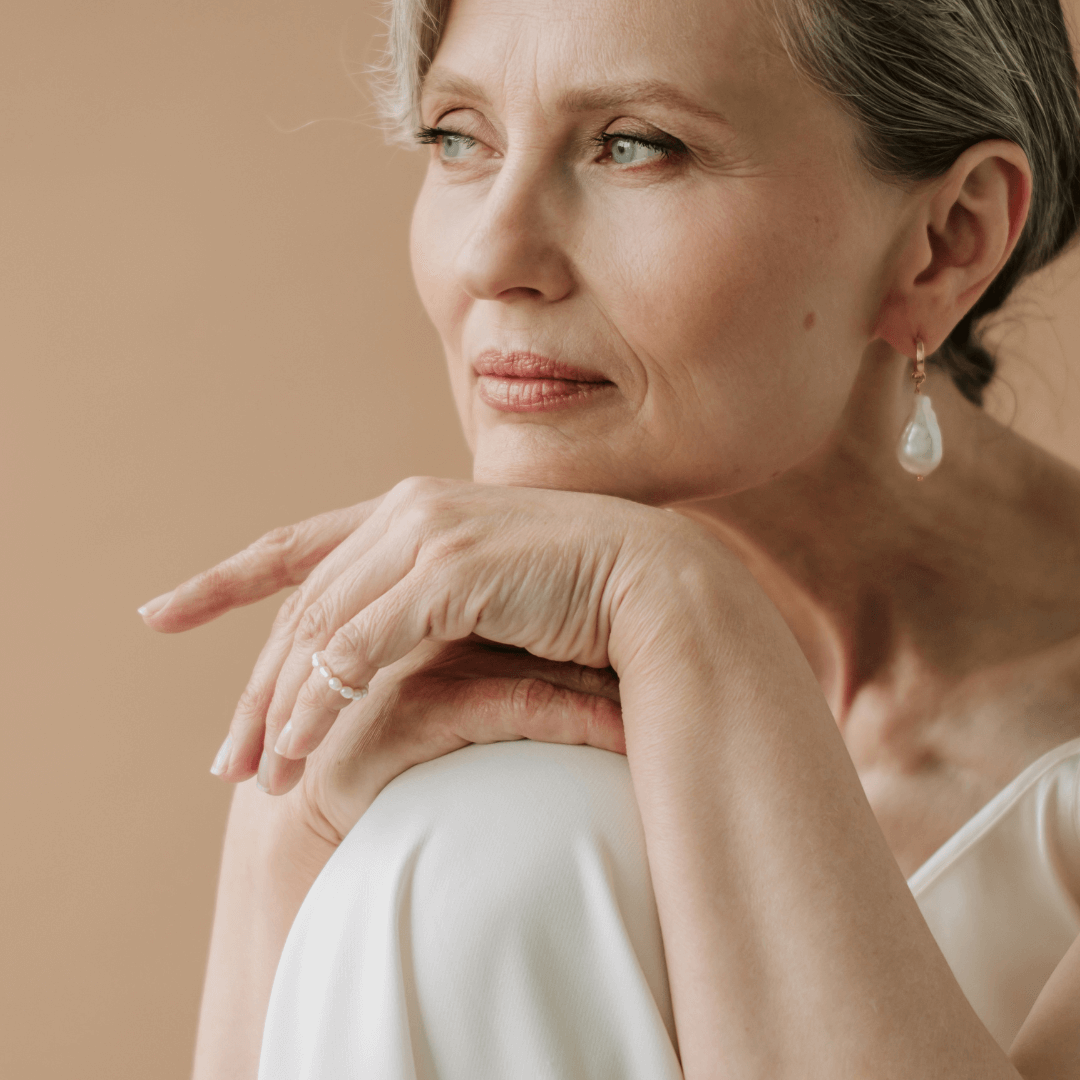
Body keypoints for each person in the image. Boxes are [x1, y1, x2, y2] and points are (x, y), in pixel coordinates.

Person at [141, 0, 1080, 1076]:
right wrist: (289, 823)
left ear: (944, 244)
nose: (495, 254)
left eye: (636, 145)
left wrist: (684, 605)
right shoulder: (458, 701)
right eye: (457, 137)